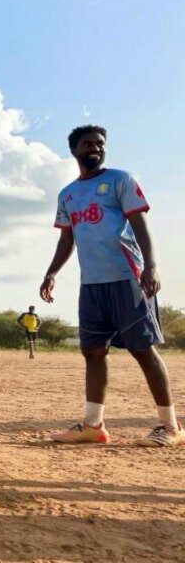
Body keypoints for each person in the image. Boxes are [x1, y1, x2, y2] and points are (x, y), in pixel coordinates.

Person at [41, 125, 182, 447]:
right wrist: (51, 273)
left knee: (142, 348)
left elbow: (139, 223)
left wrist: (151, 266)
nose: (95, 148)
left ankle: (170, 426)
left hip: (126, 276)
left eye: (100, 144)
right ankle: (93, 426)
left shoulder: (120, 179)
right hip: (91, 283)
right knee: (92, 351)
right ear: (75, 150)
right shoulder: (68, 194)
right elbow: (67, 239)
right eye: (88, 144)